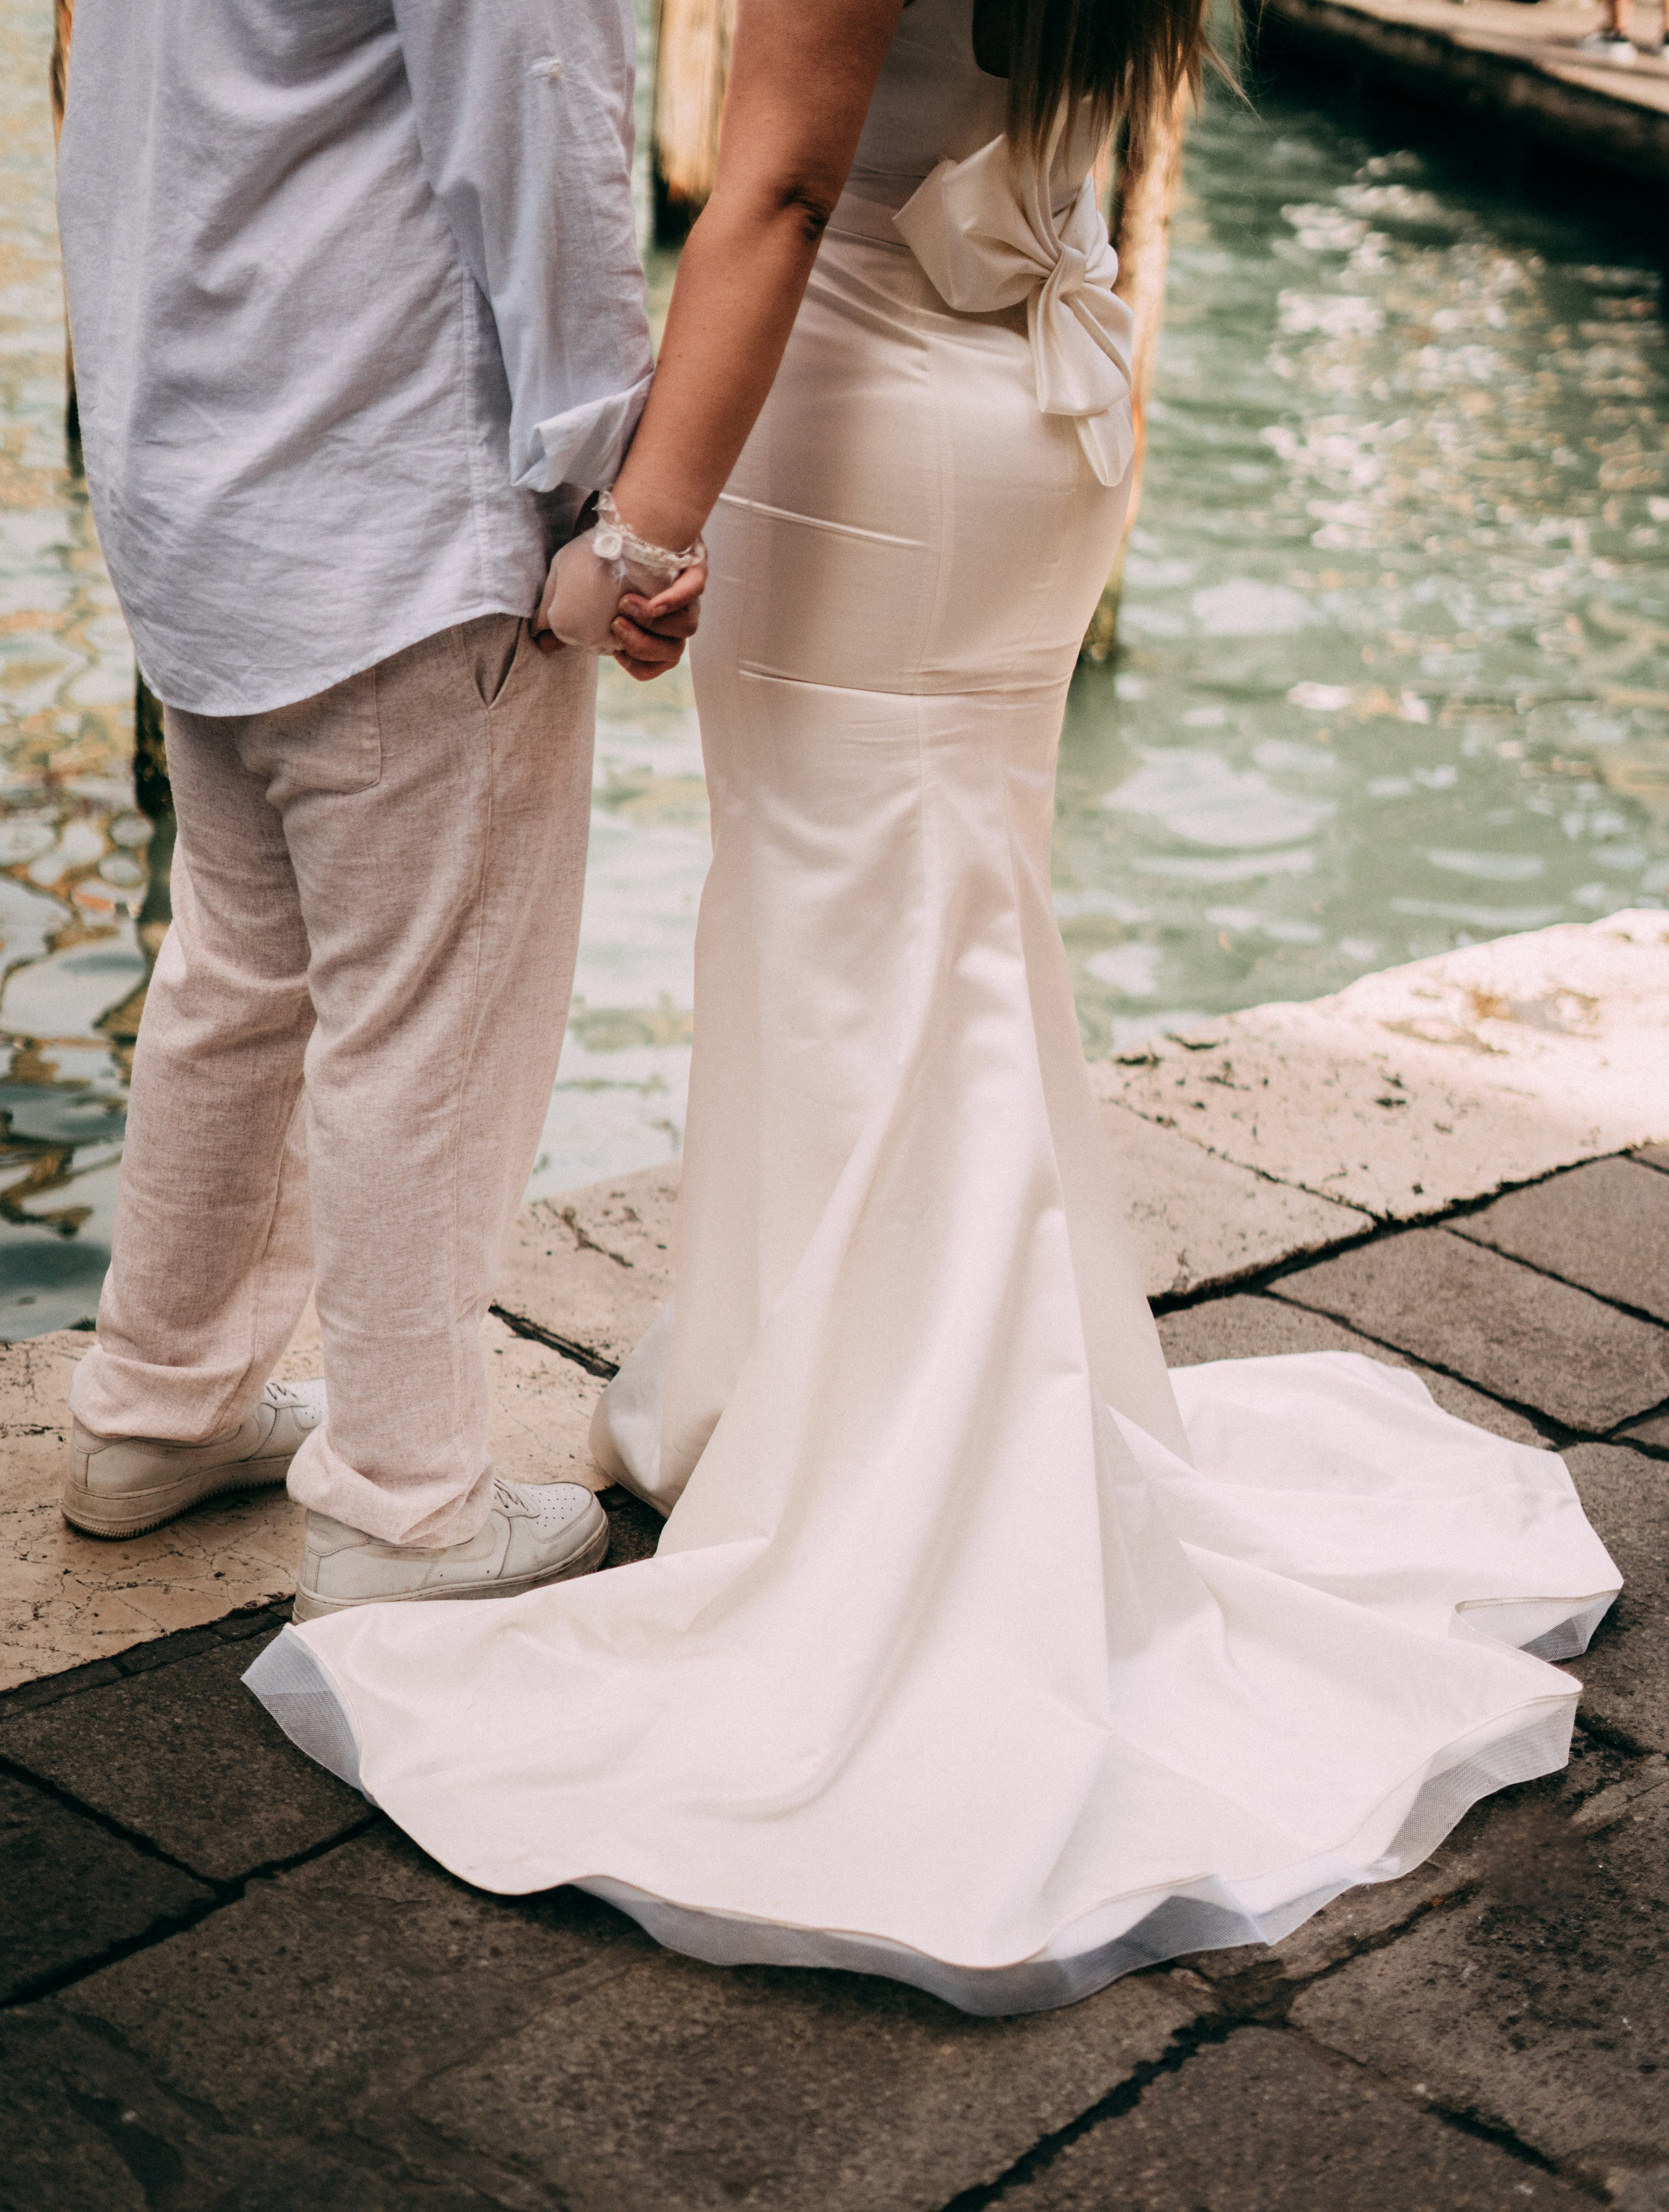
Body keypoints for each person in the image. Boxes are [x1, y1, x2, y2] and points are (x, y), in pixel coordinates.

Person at [248, 0, 1619, 2016]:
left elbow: (783, 187)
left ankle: (894, 1473)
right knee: (947, 941)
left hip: (867, 428)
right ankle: (766, 1385)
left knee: (830, 935)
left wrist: (639, 533)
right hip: (1048, 400)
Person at [53, 3, 701, 1608]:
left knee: (240, 969)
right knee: (427, 1019)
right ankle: (406, 1498)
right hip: (386, 489)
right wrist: (617, 505)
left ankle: (159, 1403)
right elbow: (545, 130)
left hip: (196, 465)